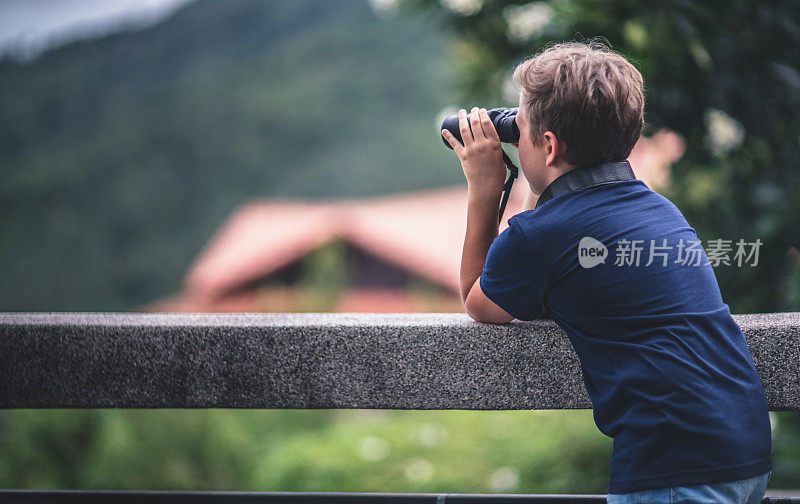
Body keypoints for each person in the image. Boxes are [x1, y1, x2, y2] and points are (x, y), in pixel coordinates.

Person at [441, 40, 772, 504]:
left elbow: (480, 300)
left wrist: (485, 187)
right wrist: (532, 169)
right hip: (744, 448)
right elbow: (557, 261)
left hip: (670, 466)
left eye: (522, 126)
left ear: (549, 146)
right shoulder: (658, 209)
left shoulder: (541, 237)